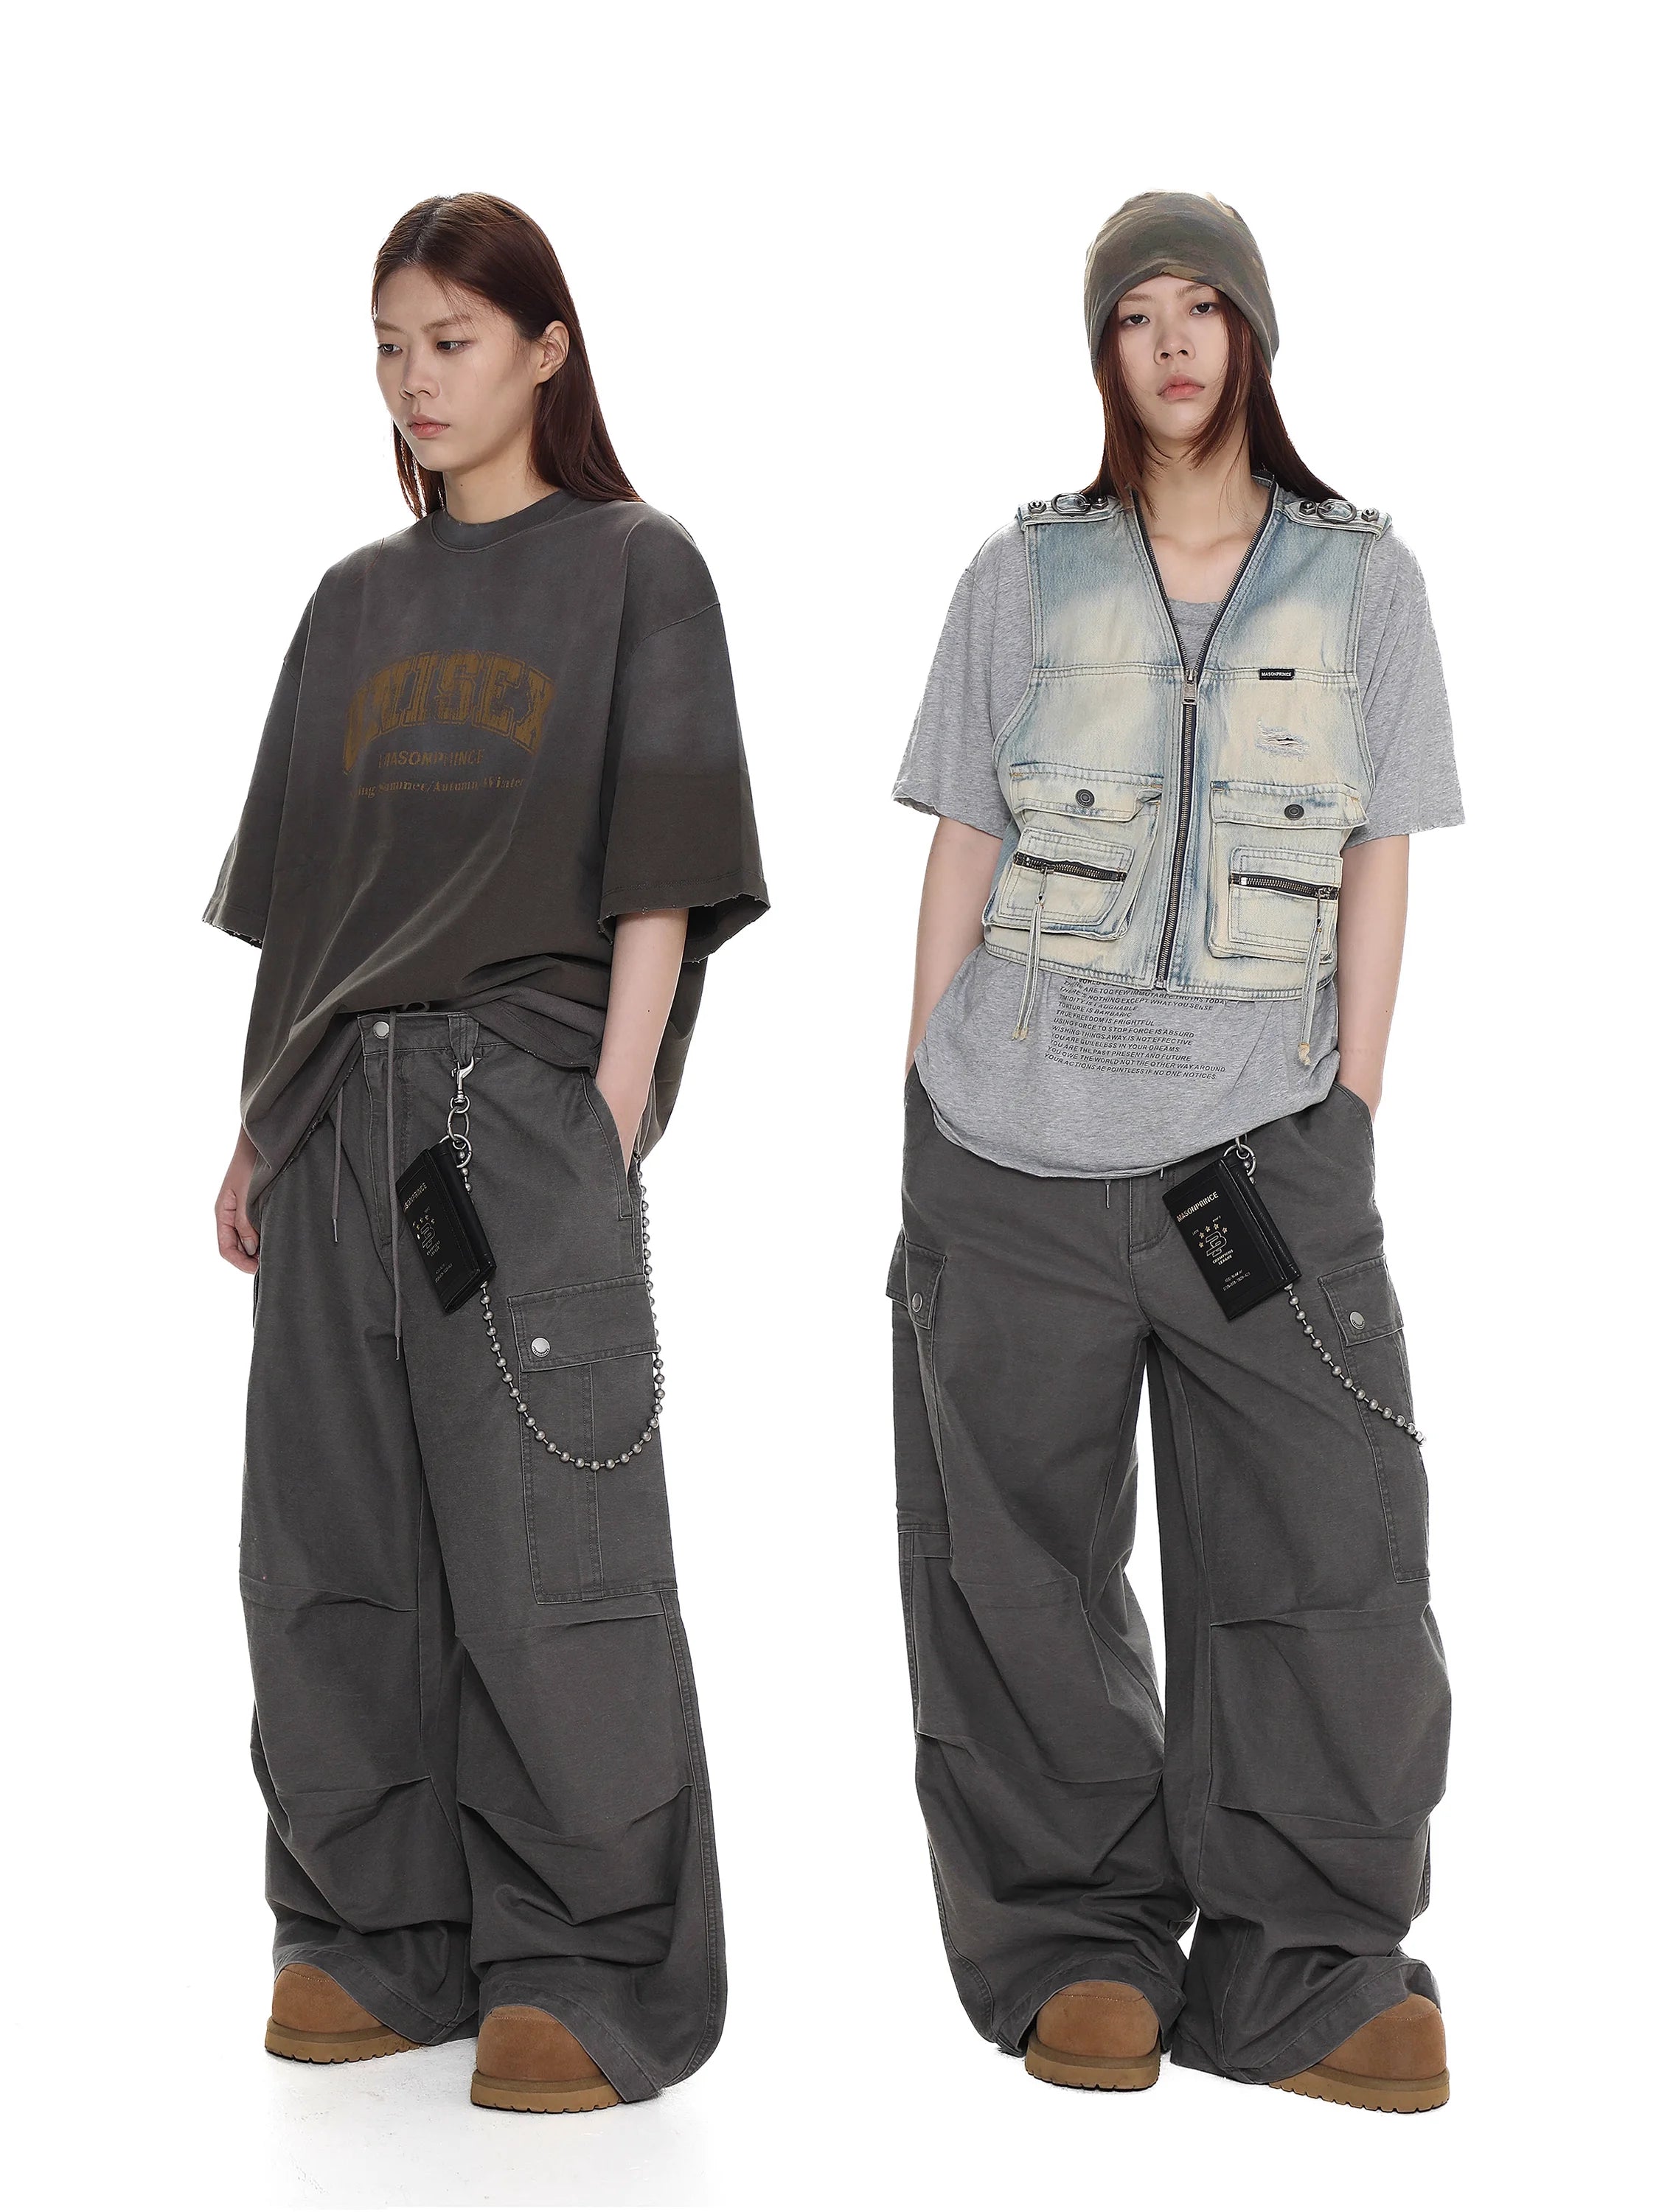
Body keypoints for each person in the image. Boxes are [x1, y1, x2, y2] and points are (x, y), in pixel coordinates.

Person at [889, 191, 1460, 2112]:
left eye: (1202, 307)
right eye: (1134, 314)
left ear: (1253, 335)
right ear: (1101, 352)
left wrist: (1348, 1108)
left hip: (1261, 1154)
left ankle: (1312, 1969)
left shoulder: (1363, 581)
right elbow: (962, 839)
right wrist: (922, 1085)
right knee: (1013, 1568)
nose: (1171, 343)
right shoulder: (1020, 574)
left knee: (1326, 1553)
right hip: (1008, 1142)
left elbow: (1378, 856)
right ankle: (1078, 1948)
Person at [208, 192, 766, 2113]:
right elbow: (306, 903)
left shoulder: (637, 567)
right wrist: (255, 1123)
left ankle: (582, 1963)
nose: (414, 380)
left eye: (449, 340)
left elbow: (663, 875)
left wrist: (606, 1114)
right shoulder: (350, 603)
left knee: (552, 1552)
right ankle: (373, 1935)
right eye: (388, 346)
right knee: (329, 1554)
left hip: (514, 1105)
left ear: (545, 347)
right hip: (332, 1114)